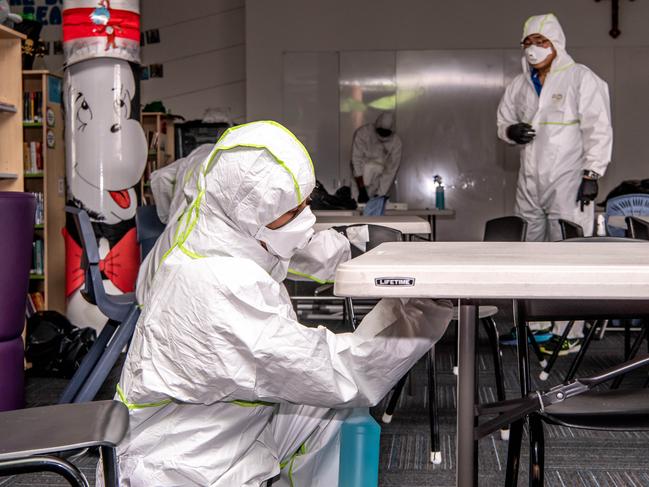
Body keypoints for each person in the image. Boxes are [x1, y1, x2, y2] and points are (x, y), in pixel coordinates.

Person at [110, 121, 452, 486]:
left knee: (327, 415)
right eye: (294, 211)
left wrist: (360, 246)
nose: (305, 219)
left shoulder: (223, 229)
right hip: (184, 467)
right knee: (333, 392)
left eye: (306, 203)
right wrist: (421, 309)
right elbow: (341, 370)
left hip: (215, 424)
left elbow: (298, 245)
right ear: (252, 214)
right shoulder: (218, 288)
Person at [497, 13, 613, 355]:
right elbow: (503, 120)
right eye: (528, 43)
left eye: (540, 42)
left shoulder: (581, 78)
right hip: (529, 181)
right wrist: (509, 132)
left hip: (569, 180)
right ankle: (537, 326)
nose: (533, 50)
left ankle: (571, 329)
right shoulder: (520, 85)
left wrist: (592, 174)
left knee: (569, 251)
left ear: (556, 44)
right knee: (529, 250)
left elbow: (599, 127)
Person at [351, 112, 402, 203]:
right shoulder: (363, 133)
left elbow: (391, 171)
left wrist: (379, 194)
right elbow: (356, 160)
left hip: (380, 182)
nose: (382, 135)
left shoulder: (396, 143)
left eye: (386, 133)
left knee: (376, 211)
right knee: (357, 209)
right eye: (381, 131)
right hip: (360, 180)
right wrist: (362, 190)